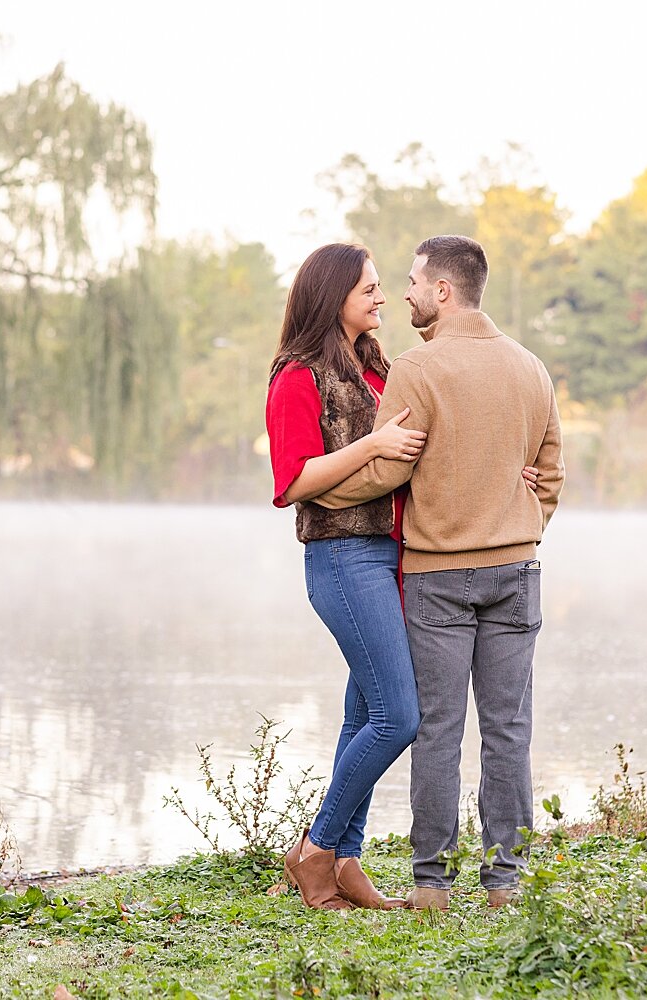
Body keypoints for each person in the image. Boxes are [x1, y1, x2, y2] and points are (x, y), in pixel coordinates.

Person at [313, 234, 564, 910]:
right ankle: (506, 883)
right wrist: (515, 524)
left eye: (415, 282)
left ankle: (432, 885)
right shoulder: (532, 369)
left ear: (444, 291)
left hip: (436, 579)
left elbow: (386, 469)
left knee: (438, 732)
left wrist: (314, 491)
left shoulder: (417, 370)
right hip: (517, 569)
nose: (406, 293)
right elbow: (552, 476)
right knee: (509, 731)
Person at [264, 242, 425, 910]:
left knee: (365, 710)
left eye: (385, 287)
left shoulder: (376, 367)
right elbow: (293, 478)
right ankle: (316, 848)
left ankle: (348, 862)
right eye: (370, 289)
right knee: (400, 716)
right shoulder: (297, 376)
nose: (382, 298)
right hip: (342, 558)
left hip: (393, 558)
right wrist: (374, 445)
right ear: (336, 297)